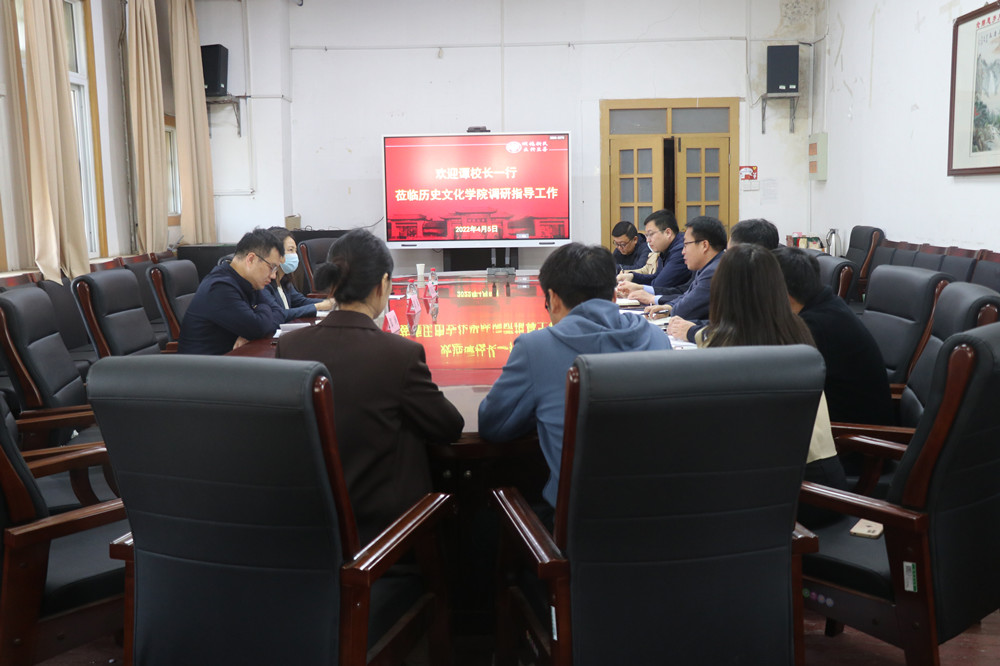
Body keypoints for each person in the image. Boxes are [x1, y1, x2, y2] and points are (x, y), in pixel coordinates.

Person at [275, 228, 463, 545]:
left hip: (310, 526)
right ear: (383, 284)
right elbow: (449, 427)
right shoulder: (399, 355)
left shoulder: (290, 346)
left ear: (333, 285)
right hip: (387, 532)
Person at [478, 243, 672, 518]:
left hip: (577, 527)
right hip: (662, 516)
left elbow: (493, 426)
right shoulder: (657, 338)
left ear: (553, 299)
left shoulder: (536, 348)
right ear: (613, 297)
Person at [699, 243, 847, 527]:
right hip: (825, 480)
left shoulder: (726, 344)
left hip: (795, 491)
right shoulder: (797, 330)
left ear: (721, 291)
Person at [773, 246, 894, 426]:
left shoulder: (816, 326)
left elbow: (779, 383)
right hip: (837, 421)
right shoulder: (826, 305)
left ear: (783, 293)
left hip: (851, 434)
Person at [666, 217, 779, 342]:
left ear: (746, 255)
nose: (724, 257)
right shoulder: (769, 281)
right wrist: (693, 326)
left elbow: (739, 333)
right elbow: (728, 322)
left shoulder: (746, 285)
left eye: (728, 252)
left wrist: (691, 332)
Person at [178, 228, 286, 355]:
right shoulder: (219, 287)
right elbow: (258, 327)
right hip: (205, 364)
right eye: (272, 267)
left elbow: (279, 313)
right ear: (251, 259)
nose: (273, 276)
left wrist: (251, 330)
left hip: (233, 357)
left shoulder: (250, 281)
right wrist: (255, 326)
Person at [640, 215, 727, 326]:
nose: (683, 252)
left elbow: (684, 311)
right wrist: (668, 307)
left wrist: (672, 309)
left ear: (704, 245)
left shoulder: (714, 272)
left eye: (686, 245)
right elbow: (687, 295)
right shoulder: (707, 267)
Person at [615, 209, 690, 301]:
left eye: (650, 234)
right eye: (646, 236)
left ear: (668, 233)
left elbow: (659, 284)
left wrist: (637, 287)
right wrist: (632, 277)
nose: (647, 240)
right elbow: (657, 277)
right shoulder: (664, 249)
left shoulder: (680, 251)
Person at [263, 226, 334, 321]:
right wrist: (319, 306)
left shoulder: (284, 280)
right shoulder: (264, 283)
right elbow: (280, 314)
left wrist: (332, 303)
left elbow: (300, 301)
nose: (295, 255)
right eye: (290, 250)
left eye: (295, 251)